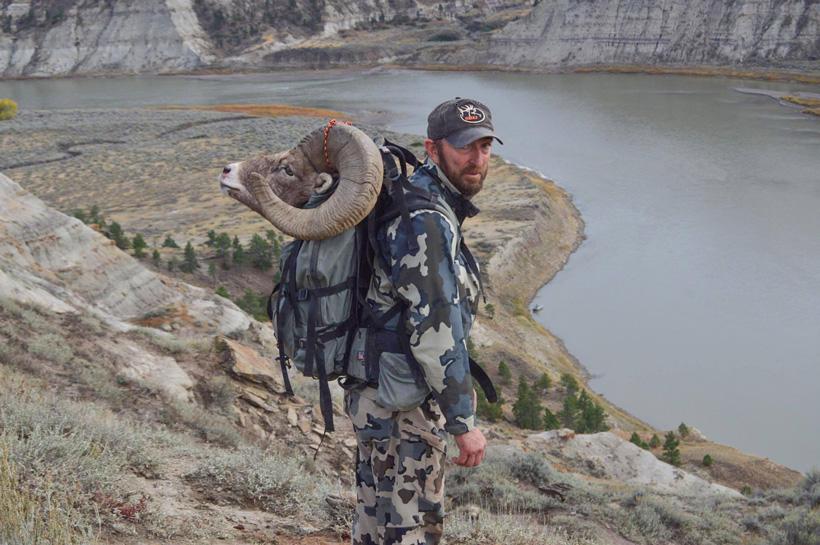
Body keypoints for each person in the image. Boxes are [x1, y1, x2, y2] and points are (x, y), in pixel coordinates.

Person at [344, 97, 503, 545]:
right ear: (433, 149)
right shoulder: (427, 219)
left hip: (378, 391)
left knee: (376, 519)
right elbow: (436, 328)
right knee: (412, 525)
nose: (477, 159)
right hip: (403, 406)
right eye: (465, 147)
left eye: (486, 146)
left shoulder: (416, 198)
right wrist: (462, 421)